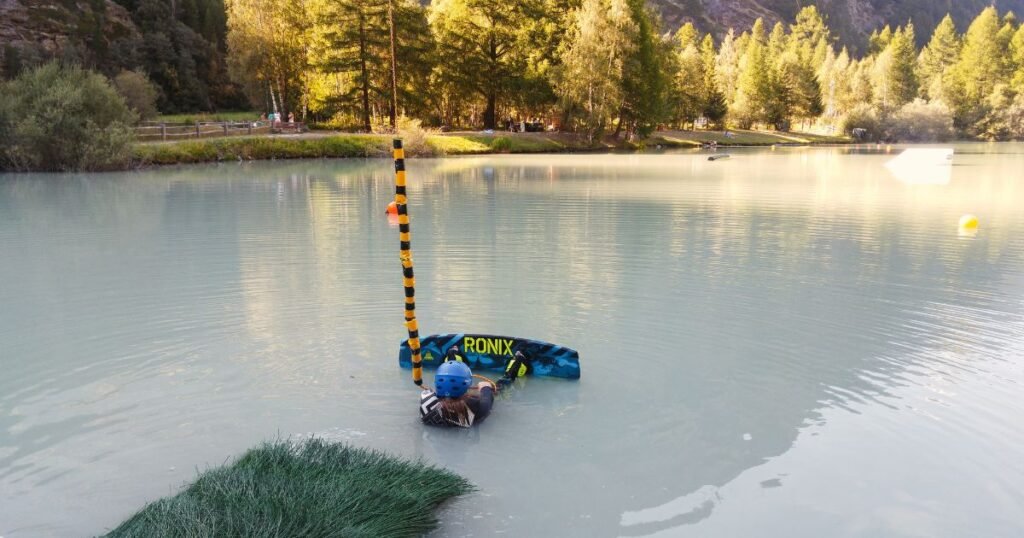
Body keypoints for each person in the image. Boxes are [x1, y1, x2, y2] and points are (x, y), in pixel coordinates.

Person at [419, 346, 527, 428]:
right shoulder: (476, 407)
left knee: (450, 374)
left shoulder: (426, 399)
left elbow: (446, 384)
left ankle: (452, 354)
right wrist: (485, 387)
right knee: (498, 387)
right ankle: (517, 362)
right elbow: (488, 396)